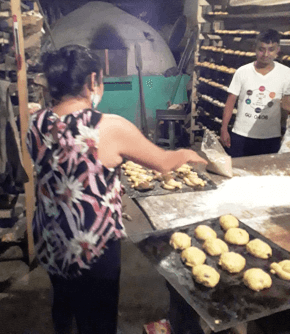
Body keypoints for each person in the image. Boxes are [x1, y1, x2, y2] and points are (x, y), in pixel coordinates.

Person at [26, 44, 207, 334]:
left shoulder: (36, 123)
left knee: (65, 304)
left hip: (50, 236)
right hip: (92, 246)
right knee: (98, 319)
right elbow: (162, 162)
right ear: (92, 82)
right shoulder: (108, 127)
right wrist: (187, 154)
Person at [220, 29, 290, 157]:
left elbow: (286, 106)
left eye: (271, 49)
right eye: (261, 49)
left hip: (270, 137)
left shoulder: (286, 74)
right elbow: (230, 102)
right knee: (237, 173)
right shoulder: (243, 72)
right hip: (241, 134)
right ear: (254, 48)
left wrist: (284, 132)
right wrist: (224, 129)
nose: (265, 54)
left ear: (278, 50)